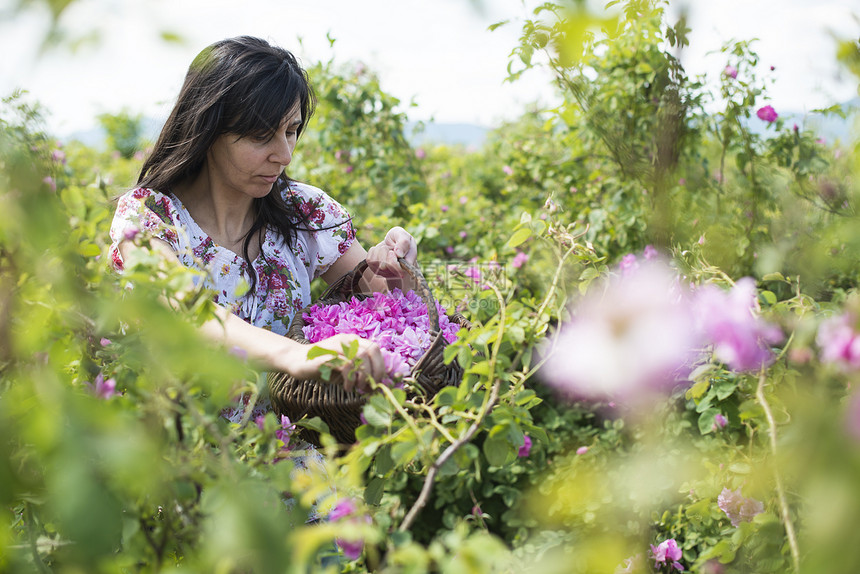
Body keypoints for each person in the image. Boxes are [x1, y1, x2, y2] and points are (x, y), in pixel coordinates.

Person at [108, 35, 417, 402]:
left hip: (280, 442)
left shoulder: (303, 210)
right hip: (175, 446)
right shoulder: (148, 217)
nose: (284, 155)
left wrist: (396, 264)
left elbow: (382, 304)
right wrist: (297, 355)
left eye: (291, 131)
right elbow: (187, 311)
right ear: (208, 129)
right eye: (261, 136)